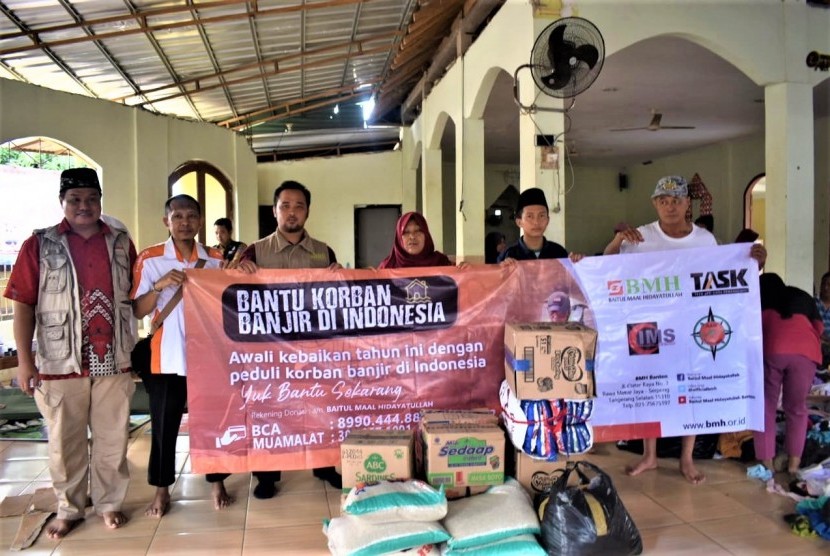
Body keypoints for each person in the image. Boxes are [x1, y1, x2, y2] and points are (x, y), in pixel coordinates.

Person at [604, 175, 766, 484]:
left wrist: (753, 264)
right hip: (648, 326)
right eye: (663, 201)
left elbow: (726, 277)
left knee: (690, 389)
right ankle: (649, 456)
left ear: (687, 203)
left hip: (691, 326)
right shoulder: (640, 237)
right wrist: (615, 242)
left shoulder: (704, 240)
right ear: (655, 203)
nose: (670, 206)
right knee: (651, 389)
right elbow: (607, 269)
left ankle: (686, 459)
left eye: (676, 200)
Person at [3, 168, 137, 538]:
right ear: (62, 203)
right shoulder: (41, 244)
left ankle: (109, 503)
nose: (84, 206)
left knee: (113, 439)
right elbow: (23, 304)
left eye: (92, 198)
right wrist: (25, 363)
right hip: (60, 362)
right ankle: (70, 508)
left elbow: (135, 296)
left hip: (114, 358)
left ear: (100, 201)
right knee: (65, 443)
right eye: (75, 199)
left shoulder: (121, 241)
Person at [234, 180, 343, 498]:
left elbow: (339, 301)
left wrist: (339, 277)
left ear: (308, 211)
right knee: (269, 411)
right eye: (285, 205)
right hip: (269, 351)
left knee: (319, 408)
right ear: (274, 211)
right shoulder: (255, 251)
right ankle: (267, 475)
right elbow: (230, 292)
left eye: (299, 206)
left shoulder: (323, 252)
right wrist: (239, 274)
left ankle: (323, 465)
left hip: (313, 348)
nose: (292, 212)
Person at [131, 194, 230, 517]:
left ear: (200, 221)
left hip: (208, 358)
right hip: (166, 355)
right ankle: (161, 490)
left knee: (212, 423)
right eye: (178, 217)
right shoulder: (151, 258)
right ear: (167, 221)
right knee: (164, 426)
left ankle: (217, 482)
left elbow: (227, 304)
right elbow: (137, 311)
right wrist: (159, 286)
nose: (184, 223)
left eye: (191, 216)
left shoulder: (216, 259)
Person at [754, 273, 823, 475]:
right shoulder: (802, 296)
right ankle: (793, 465)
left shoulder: (761, 300)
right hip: (806, 353)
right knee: (796, 408)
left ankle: (766, 462)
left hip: (773, 351)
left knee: (766, 407)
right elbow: (818, 328)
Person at [498, 188, 580, 263]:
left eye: (541, 216)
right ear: (519, 222)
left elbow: (570, 277)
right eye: (530, 216)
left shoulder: (558, 252)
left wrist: (578, 263)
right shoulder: (508, 255)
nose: (536, 222)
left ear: (548, 220)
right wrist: (502, 271)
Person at [378, 212, 452, 269]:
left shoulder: (441, 263)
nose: (412, 236)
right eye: (406, 232)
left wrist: (463, 269)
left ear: (426, 235)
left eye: (418, 230)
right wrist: (368, 277)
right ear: (399, 238)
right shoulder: (387, 267)